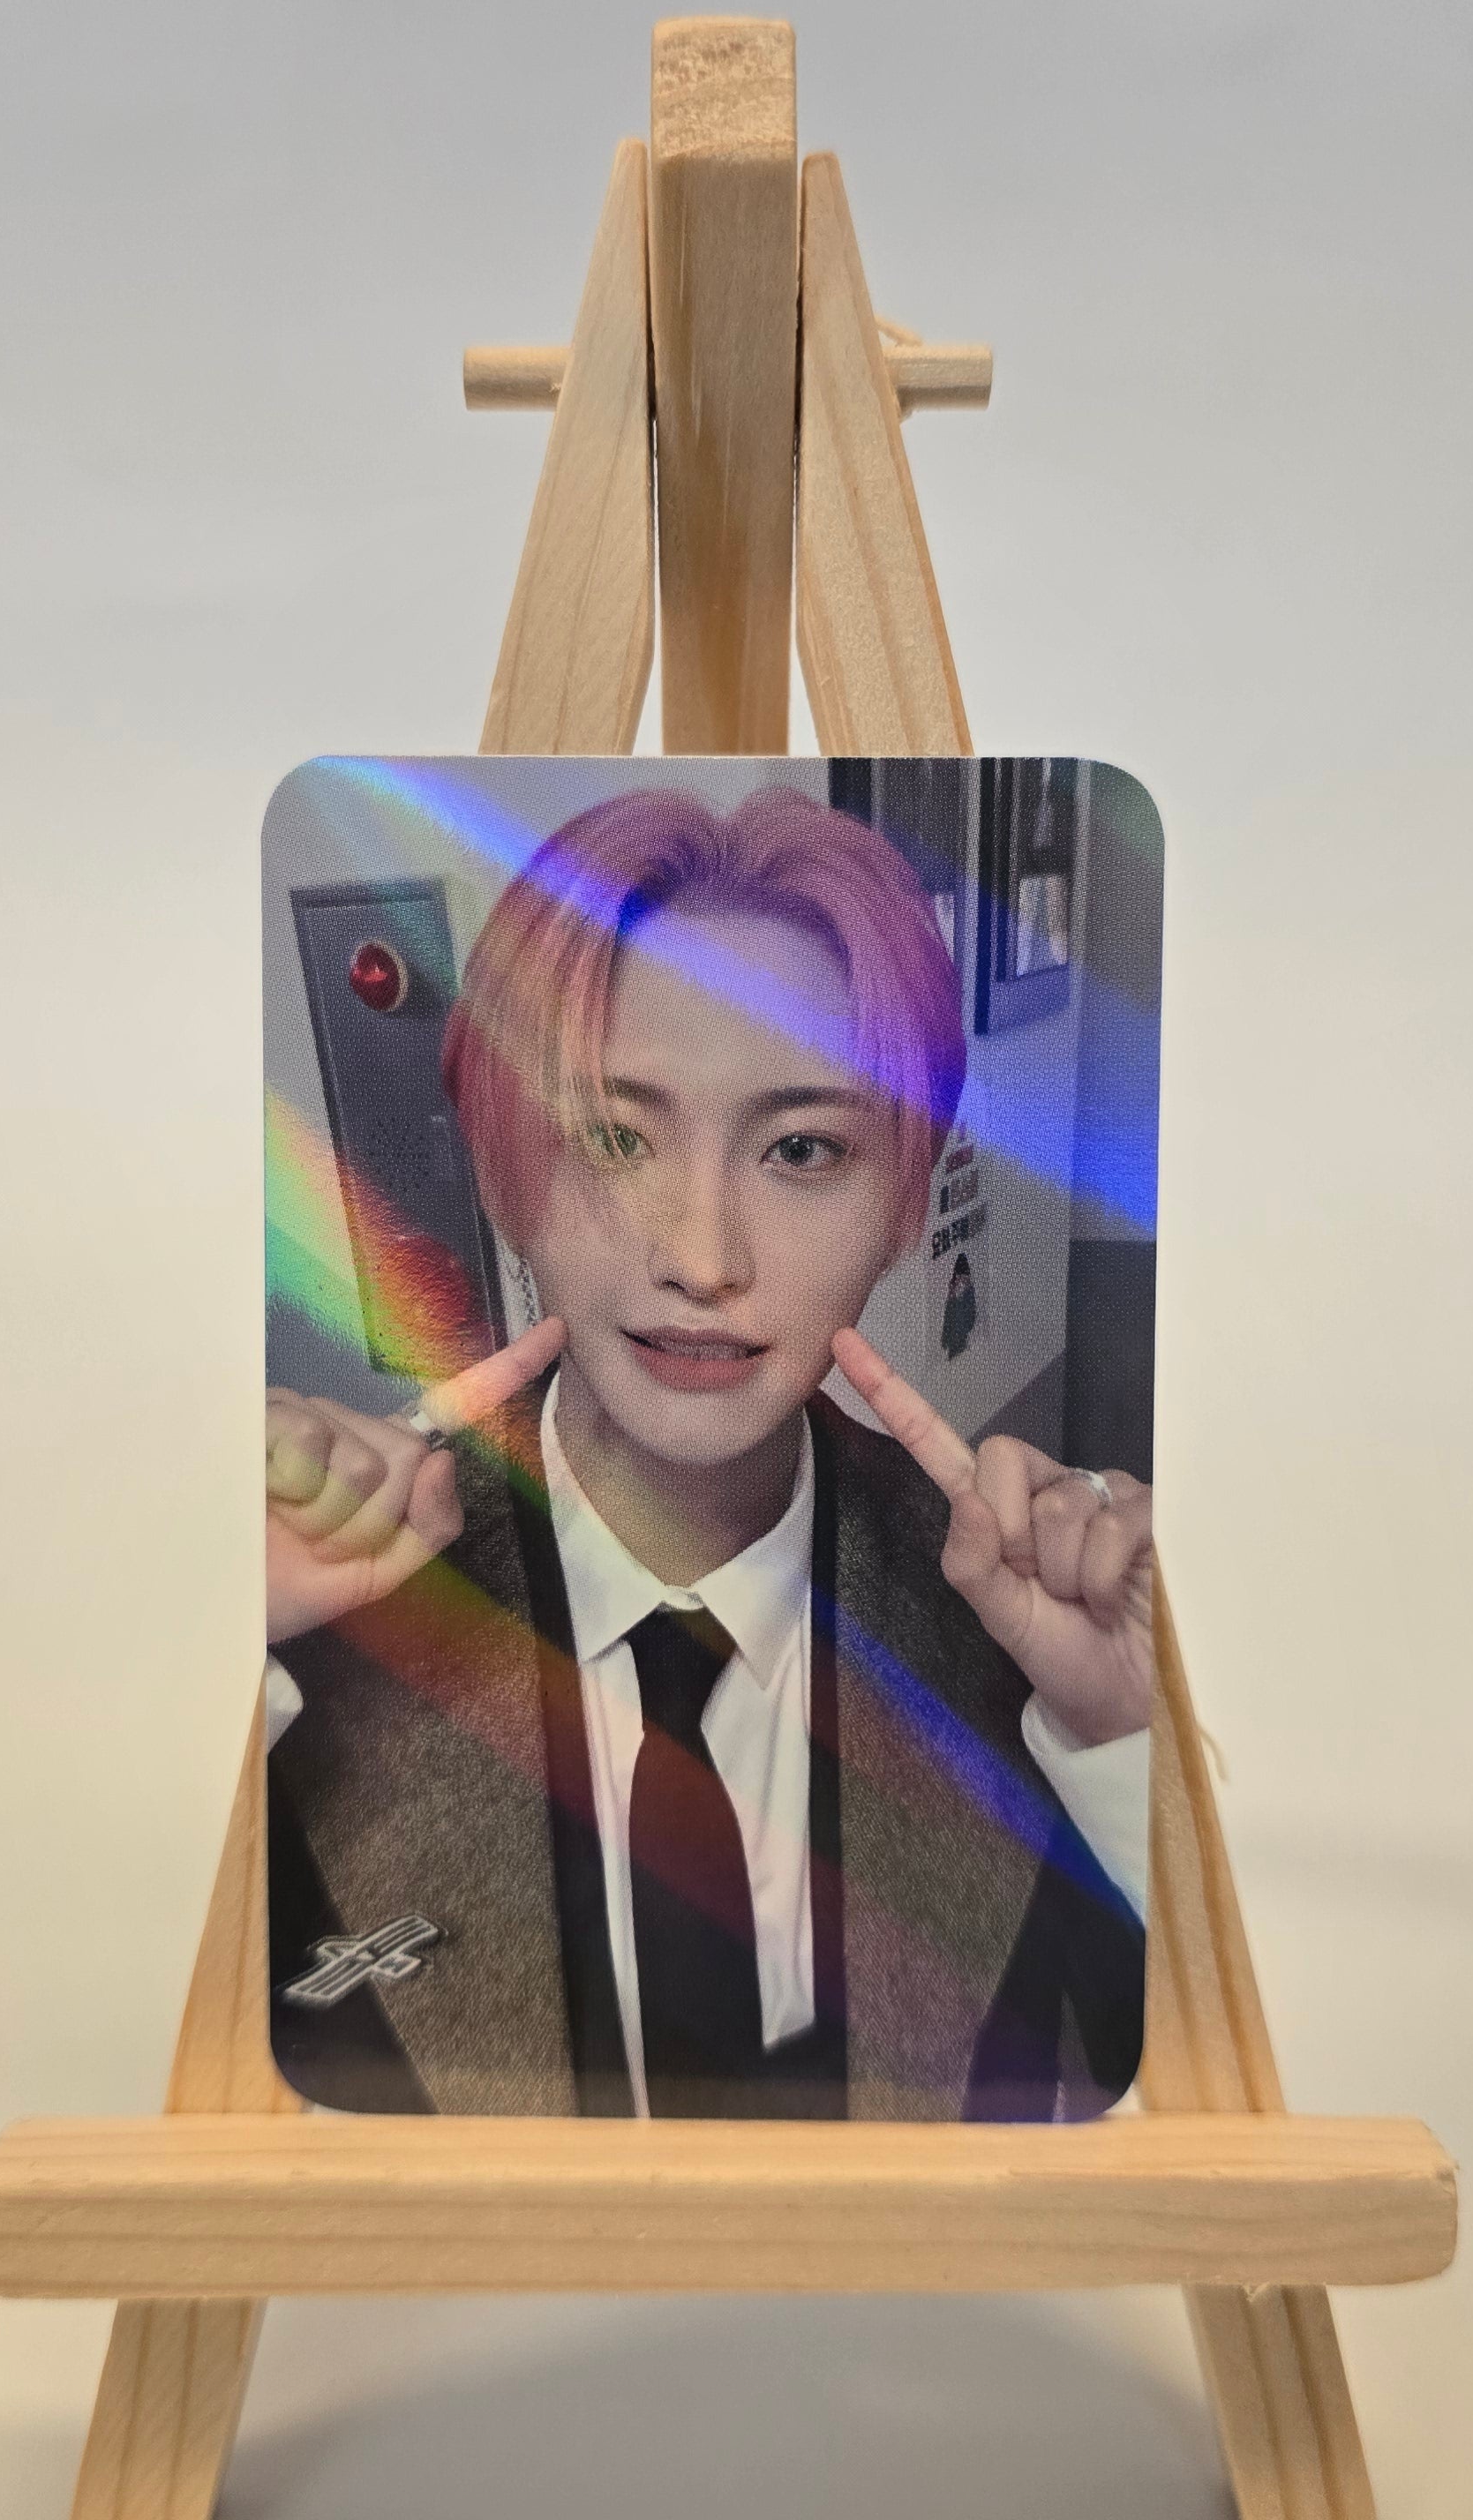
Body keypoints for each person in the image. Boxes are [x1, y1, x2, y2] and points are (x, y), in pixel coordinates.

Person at [262, 785, 1152, 2121]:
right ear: (506, 1177)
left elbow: (1199, 2123)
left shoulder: (1012, 1638)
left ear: (902, 1207)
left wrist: (1128, 1743)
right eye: (614, 1139)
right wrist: (205, 1672)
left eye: (801, 1149)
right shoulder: (328, 1629)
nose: (701, 1257)